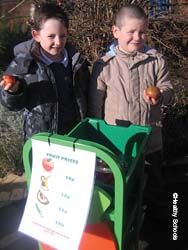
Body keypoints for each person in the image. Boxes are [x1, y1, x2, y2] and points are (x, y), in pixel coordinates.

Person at [88, 4, 174, 212]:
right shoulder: (105, 65)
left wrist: (161, 95)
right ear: (116, 32)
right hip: (118, 144)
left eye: (142, 32)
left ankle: (159, 227)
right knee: (121, 192)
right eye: (132, 32)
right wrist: (97, 139)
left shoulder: (156, 60)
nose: (137, 37)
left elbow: (168, 89)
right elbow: (95, 104)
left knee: (155, 189)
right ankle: (126, 229)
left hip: (150, 141)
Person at [0, 2, 90, 143]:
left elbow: (85, 97)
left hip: (74, 138)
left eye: (63, 36)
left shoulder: (77, 62)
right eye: (51, 36)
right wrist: (13, 92)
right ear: (36, 35)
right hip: (41, 141)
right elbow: (12, 105)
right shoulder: (25, 64)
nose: (58, 42)